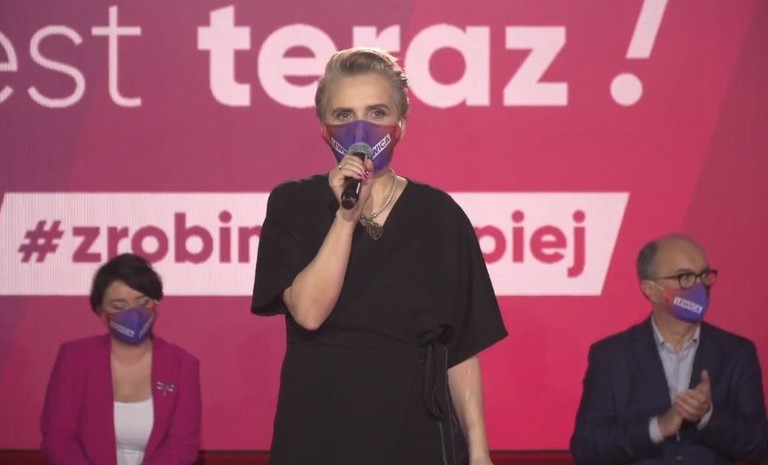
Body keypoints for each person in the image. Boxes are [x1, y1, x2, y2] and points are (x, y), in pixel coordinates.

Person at [250, 47, 507, 465]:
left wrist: (479, 454)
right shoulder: (293, 204)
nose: (361, 129)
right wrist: (345, 218)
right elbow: (309, 312)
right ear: (323, 127)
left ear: (401, 123)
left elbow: (459, 350)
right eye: (344, 115)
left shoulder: (439, 215)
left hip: (416, 435)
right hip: (319, 433)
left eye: (376, 112)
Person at [570, 234, 768, 465]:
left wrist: (706, 416)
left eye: (704, 275)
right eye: (685, 277)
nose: (700, 286)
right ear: (650, 289)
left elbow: (759, 446)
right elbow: (587, 448)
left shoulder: (737, 353)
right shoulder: (611, 356)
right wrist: (658, 427)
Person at [41, 253, 201, 465]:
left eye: (142, 303)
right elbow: (59, 439)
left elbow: (182, 446)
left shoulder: (182, 364)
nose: (133, 314)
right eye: (119, 307)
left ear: (156, 305)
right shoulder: (73, 358)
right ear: (101, 313)